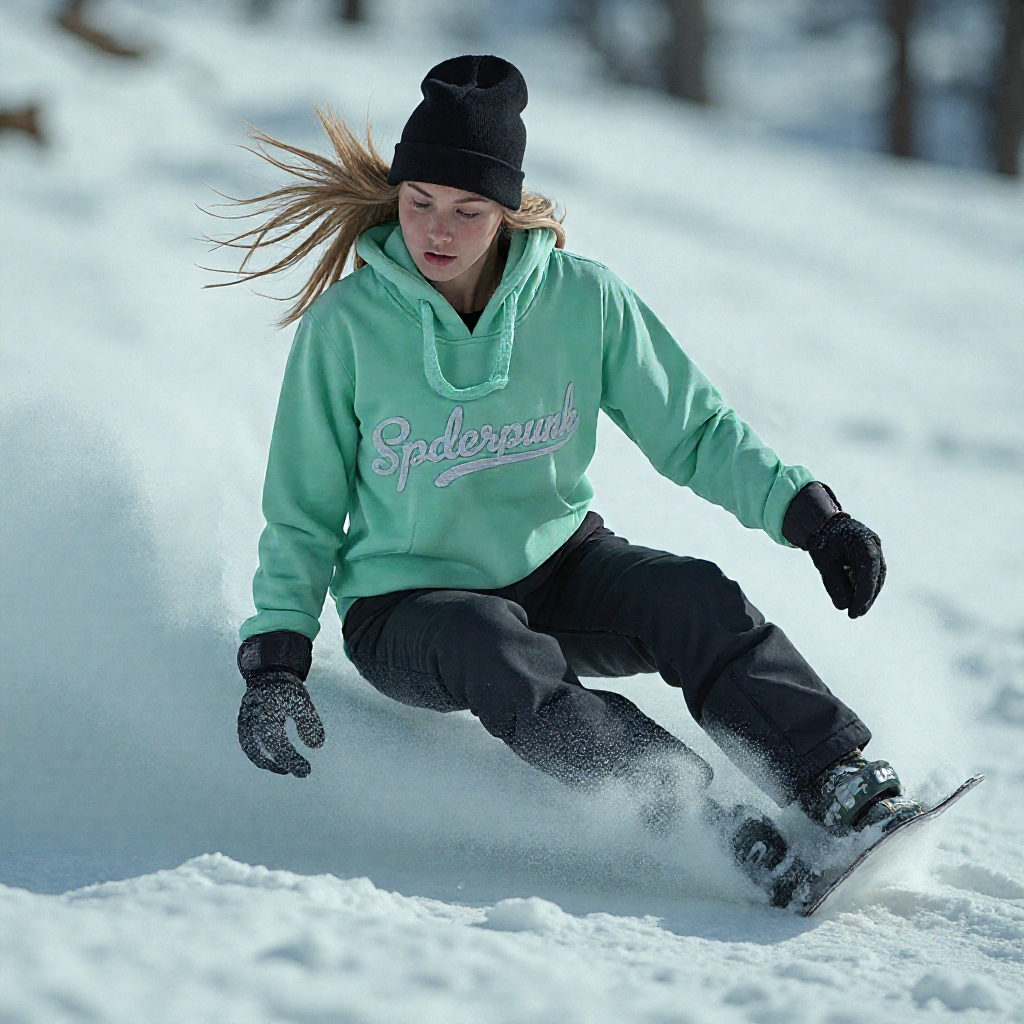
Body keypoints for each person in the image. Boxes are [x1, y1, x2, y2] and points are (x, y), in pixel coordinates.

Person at [220, 56, 922, 878]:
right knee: (493, 644)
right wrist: (275, 662)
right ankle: (700, 823)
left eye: (467, 210)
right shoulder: (345, 327)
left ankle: (836, 782)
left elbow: (694, 429)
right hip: (407, 609)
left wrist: (812, 517)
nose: (437, 231)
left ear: (505, 209)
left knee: (691, 596)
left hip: (558, 567)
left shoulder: (582, 300)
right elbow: (303, 510)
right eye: (419, 203)